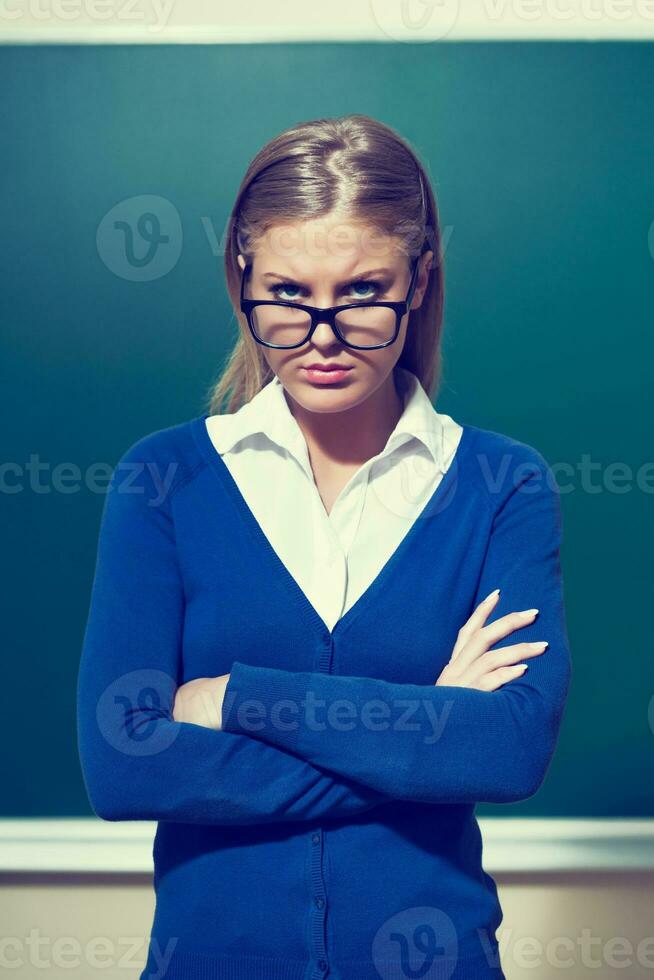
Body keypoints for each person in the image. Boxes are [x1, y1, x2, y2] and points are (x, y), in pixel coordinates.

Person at [77, 113, 572, 980]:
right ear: (242, 281)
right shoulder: (165, 479)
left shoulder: (504, 484)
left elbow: (508, 751)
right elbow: (124, 767)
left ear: (419, 281)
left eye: (362, 293)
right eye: (288, 296)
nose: (323, 337)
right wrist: (426, 727)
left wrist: (238, 697)